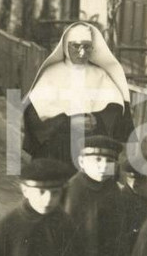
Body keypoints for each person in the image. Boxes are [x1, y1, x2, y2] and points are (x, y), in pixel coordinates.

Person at [22, 22, 133, 166]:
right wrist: (68, 122)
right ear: (65, 46)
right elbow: (33, 115)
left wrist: (97, 120)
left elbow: (115, 109)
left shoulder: (100, 75)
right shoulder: (51, 74)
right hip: (57, 149)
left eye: (86, 47)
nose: (82, 52)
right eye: (76, 46)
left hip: (91, 150)